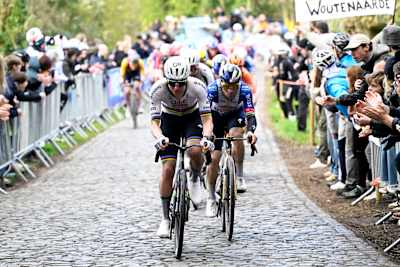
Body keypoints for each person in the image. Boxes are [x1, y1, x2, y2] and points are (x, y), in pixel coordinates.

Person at [150, 56, 214, 238]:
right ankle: (165, 219)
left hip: (191, 118)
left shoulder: (198, 87)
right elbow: (154, 122)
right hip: (169, 120)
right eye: (172, 84)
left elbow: (207, 119)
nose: (176, 88)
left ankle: (194, 176)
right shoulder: (157, 89)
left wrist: (207, 137)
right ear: (166, 80)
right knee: (168, 169)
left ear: (187, 79)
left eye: (180, 84)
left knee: (195, 150)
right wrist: (160, 137)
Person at [206, 63, 257, 217]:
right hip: (215, 116)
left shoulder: (245, 90)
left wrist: (250, 132)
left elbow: (250, 114)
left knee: (237, 136)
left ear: (238, 83)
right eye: (227, 86)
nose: (230, 90)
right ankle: (210, 197)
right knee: (214, 158)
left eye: (234, 86)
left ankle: (239, 176)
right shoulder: (212, 89)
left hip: (235, 115)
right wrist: (206, 135)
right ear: (221, 82)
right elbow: (204, 115)